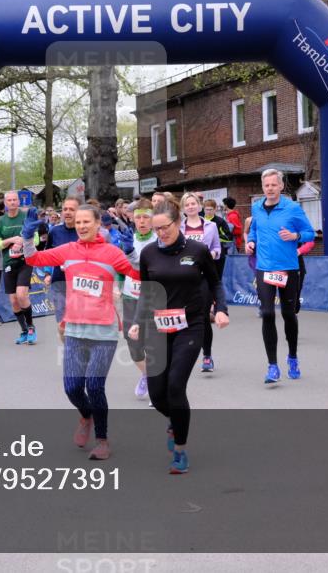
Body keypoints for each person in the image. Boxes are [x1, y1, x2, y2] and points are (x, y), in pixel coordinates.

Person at [22, 205, 140, 461]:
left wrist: (131, 253)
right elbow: (33, 259)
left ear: (98, 223)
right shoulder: (68, 250)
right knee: (72, 388)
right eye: (78, 222)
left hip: (104, 330)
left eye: (87, 221)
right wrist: (27, 237)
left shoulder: (112, 252)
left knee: (95, 386)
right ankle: (86, 416)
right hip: (75, 328)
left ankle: (102, 440)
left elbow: (138, 274)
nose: (82, 226)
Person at [129, 198, 228, 474]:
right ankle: (176, 420)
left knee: (175, 386)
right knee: (157, 393)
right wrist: (138, 321)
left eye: (165, 227)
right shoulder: (149, 254)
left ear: (178, 223)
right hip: (158, 327)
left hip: (190, 326)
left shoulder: (197, 250)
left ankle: (181, 451)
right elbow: (147, 291)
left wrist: (221, 309)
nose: (161, 233)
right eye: (156, 229)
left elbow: (215, 282)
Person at [246, 169, 315, 383]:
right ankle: (272, 366)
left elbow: (310, 233)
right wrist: (251, 241)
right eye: (266, 185)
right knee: (267, 313)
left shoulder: (292, 208)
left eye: (274, 185)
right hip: (264, 267)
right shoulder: (257, 208)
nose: (270, 189)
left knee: (288, 313)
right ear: (262, 187)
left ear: (281, 186)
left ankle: (292, 357)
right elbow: (254, 230)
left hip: (287, 268)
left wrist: (295, 235)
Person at [180, 192, 222, 373]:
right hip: (183, 277)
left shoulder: (211, 226)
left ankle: (207, 355)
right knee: (184, 317)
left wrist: (212, 254)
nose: (190, 207)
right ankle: (183, 353)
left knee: (204, 316)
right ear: (183, 208)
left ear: (199, 206)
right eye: (187, 204)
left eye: (193, 203)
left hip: (204, 275)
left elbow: (218, 248)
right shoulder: (178, 227)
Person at [122, 198, 158, 400]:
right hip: (131, 297)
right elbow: (120, 267)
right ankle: (146, 374)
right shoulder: (127, 239)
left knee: (153, 343)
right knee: (133, 344)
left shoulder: (159, 240)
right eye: (138, 218)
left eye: (146, 217)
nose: (142, 221)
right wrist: (116, 286)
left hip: (152, 298)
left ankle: (155, 384)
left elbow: (145, 267)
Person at [0, 190, 38, 344]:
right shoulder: (0, 221)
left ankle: (31, 327)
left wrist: (23, 242)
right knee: (13, 300)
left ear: (19, 201)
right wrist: (11, 240)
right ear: (5, 203)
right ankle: (24, 330)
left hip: (25, 261)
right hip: (8, 263)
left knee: (21, 295)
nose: (12, 202)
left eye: (15, 200)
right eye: (9, 200)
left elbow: (36, 240)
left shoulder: (25, 217)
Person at [45, 196, 81, 343]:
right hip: (59, 282)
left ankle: (78, 350)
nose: (67, 212)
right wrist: (47, 273)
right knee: (62, 326)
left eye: (71, 209)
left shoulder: (84, 231)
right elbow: (48, 254)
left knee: (79, 324)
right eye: (65, 209)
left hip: (81, 284)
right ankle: (69, 350)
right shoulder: (54, 231)